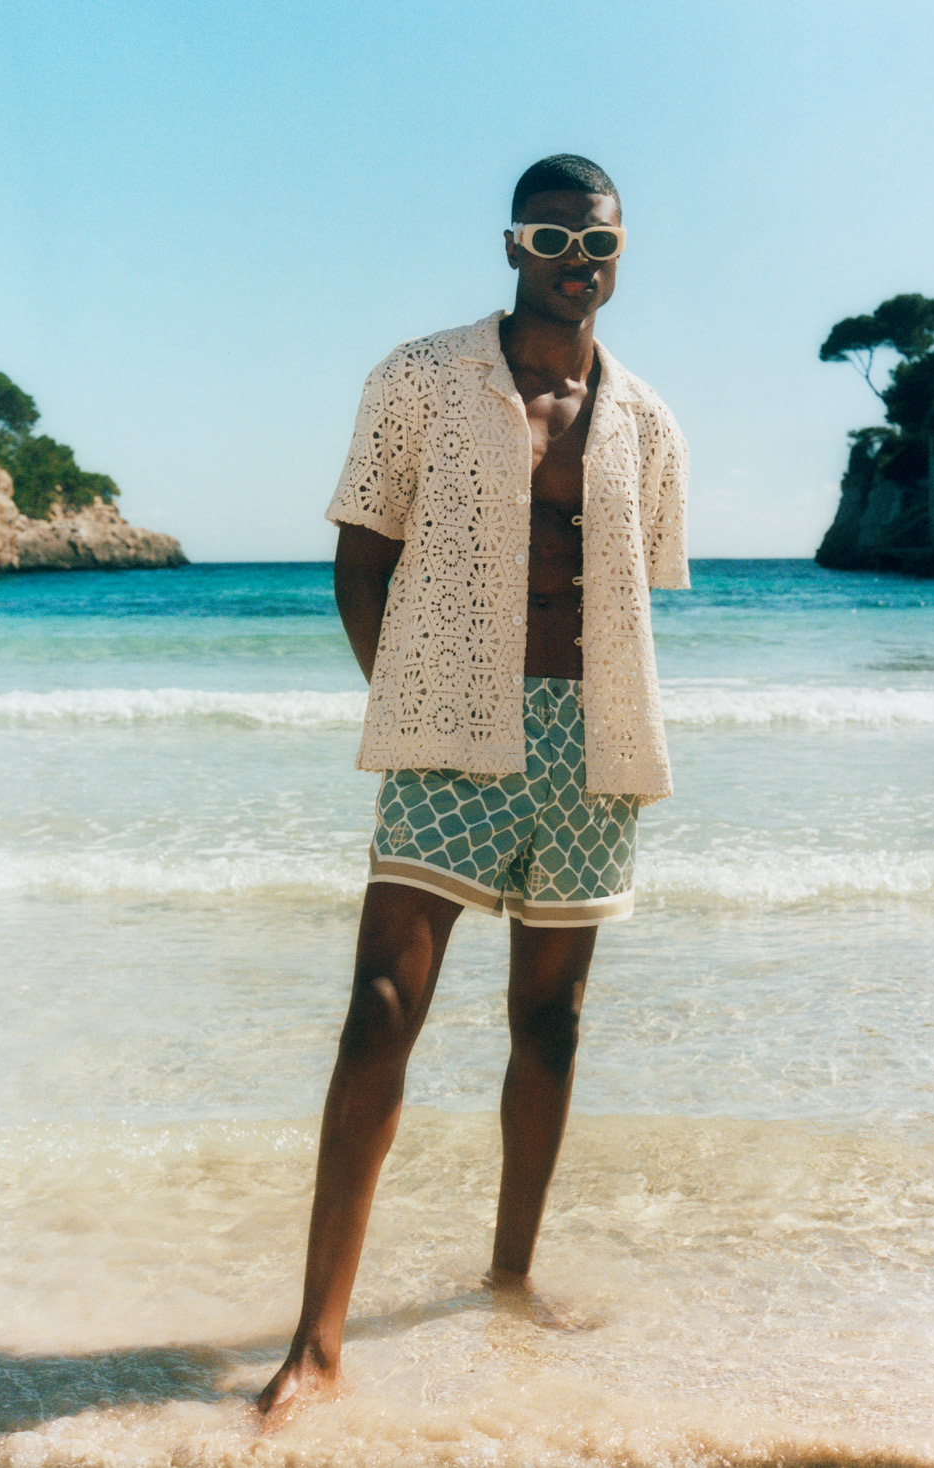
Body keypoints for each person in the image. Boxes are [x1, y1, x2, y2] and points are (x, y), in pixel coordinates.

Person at [257, 153, 689, 1416]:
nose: (577, 262)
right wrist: (411, 703)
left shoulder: (651, 420)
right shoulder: (416, 378)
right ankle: (317, 1342)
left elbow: (628, 594)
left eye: (597, 242)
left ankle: (507, 1278)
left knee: (547, 1023)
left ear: (620, 251)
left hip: (589, 742)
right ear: (510, 246)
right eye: (550, 239)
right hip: (450, 730)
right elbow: (359, 562)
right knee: (380, 1010)